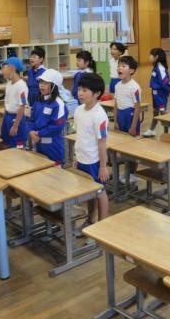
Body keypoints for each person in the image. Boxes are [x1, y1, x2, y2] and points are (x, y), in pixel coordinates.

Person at [73, 73, 110, 235]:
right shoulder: (78, 110)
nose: (80, 93)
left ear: (96, 94)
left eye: (85, 90)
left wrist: (103, 166)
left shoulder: (99, 115)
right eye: (79, 89)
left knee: (100, 193)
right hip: (82, 159)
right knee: (89, 193)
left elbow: (102, 143)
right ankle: (90, 220)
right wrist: (76, 157)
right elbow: (80, 136)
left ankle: (102, 226)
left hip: (94, 162)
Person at [28, 69, 67, 166]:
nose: (41, 85)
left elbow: (57, 127)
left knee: (55, 172)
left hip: (53, 146)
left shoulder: (58, 104)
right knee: (40, 169)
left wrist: (39, 133)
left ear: (54, 86)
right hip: (38, 143)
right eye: (41, 82)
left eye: (45, 83)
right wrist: (31, 131)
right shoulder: (38, 101)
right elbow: (32, 119)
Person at [113, 55, 141, 183]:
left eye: (123, 66)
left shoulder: (134, 87)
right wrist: (115, 121)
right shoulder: (117, 85)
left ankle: (132, 173)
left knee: (133, 148)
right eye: (119, 65)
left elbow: (137, 108)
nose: (120, 68)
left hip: (130, 117)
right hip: (121, 116)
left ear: (131, 70)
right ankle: (126, 171)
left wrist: (133, 126)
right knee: (123, 147)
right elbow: (115, 104)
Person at [0, 57, 28, 149]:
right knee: (5, 143)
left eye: (4, 68)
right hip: (7, 117)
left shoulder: (21, 86)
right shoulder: (8, 85)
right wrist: (3, 122)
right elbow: (6, 104)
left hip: (16, 118)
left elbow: (22, 107)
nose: (2, 71)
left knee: (17, 148)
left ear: (12, 68)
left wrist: (15, 126)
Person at [143, 47, 170, 138]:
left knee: (163, 113)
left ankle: (166, 133)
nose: (149, 57)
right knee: (155, 111)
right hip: (155, 93)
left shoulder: (160, 69)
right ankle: (151, 130)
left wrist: (167, 92)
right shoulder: (155, 68)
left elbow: (165, 82)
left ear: (156, 57)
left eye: (151, 55)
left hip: (160, 94)